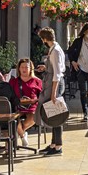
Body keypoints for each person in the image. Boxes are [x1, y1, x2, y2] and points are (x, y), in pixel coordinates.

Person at [35, 27, 66, 156]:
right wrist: (45, 67)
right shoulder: (54, 49)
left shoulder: (55, 51)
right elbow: (54, 67)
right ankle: (54, 143)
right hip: (52, 83)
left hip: (54, 84)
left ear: (45, 39)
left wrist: (53, 93)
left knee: (55, 114)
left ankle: (58, 146)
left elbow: (57, 74)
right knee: (51, 113)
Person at [67, 23, 88, 121]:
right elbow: (70, 52)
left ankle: (87, 106)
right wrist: (73, 62)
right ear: (84, 32)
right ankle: (85, 111)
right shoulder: (78, 41)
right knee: (82, 91)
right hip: (80, 69)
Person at [9, 58, 42, 147]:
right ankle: (23, 136)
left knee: (34, 116)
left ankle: (19, 131)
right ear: (19, 69)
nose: (24, 69)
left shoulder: (37, 81)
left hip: (32, 106)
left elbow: (42, 96)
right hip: (18, 106)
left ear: (30, 68)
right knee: (13, 119)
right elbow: (9, 95)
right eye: (22, 67)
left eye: (26, 67)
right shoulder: (13, 81)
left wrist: (35, 100)